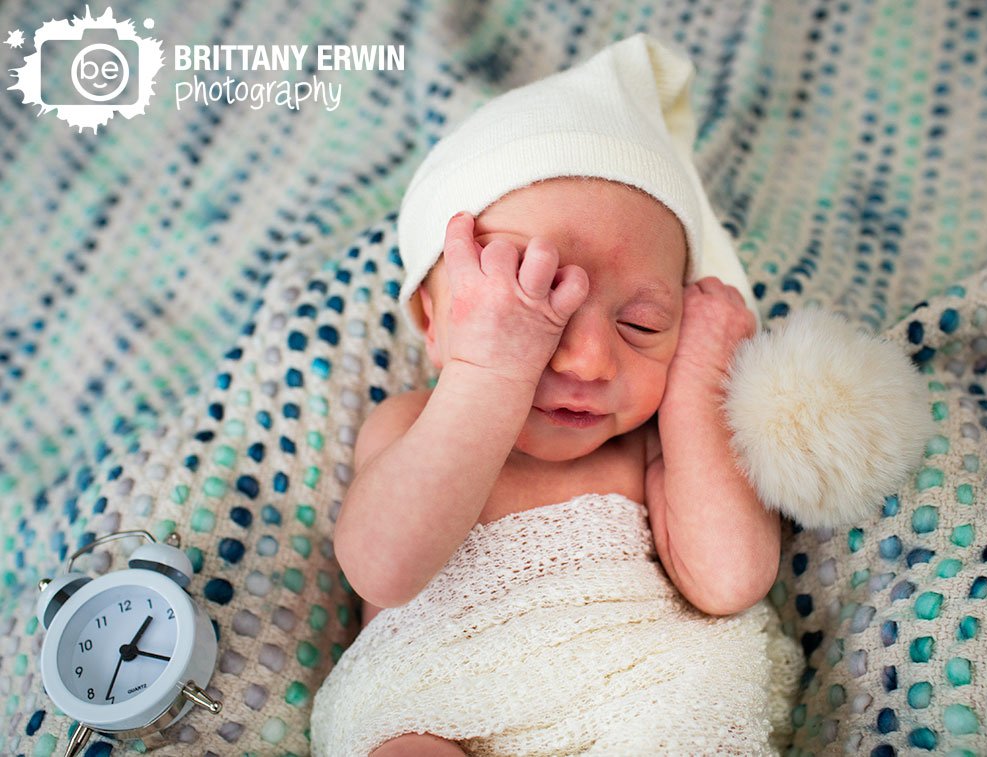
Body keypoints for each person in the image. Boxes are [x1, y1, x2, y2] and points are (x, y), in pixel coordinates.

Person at [311, 34, 802, 756]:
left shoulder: (647, 444)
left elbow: (731, 579)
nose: (590, 357)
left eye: (642, 324)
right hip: (435, 702)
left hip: (643, 694)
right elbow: (382, 567)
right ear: (431, 321)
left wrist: (699, 380)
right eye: (537, 303)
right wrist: (489, 373)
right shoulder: (411, 422)